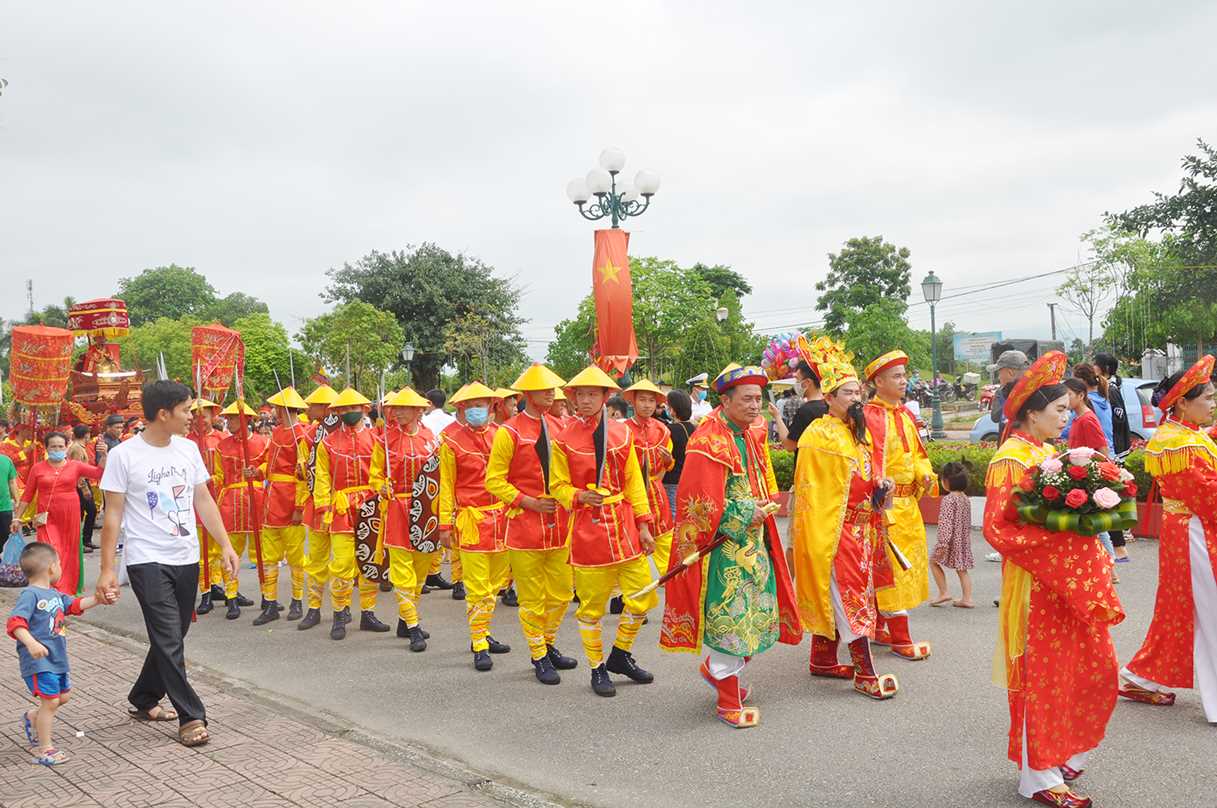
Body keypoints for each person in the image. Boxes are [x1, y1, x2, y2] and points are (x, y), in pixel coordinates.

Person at [983, 351, 1123, 807]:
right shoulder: (1010, 459)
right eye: (1059, 410)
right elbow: (1000, 528)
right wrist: (1069, 549)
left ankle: (1062, 754)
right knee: (1041, 675)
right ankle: (1038, 774)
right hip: (1037, 586)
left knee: (1089, 666)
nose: (1066, 417)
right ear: (1030, 412)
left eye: (1066, 409)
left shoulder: (1049, 455)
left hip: (1067, 583)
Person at [97, 379, 242, 748]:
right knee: (167, 636)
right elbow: (112, 515)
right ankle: (191, 716)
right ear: (164, 414)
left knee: (174, 635)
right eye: (186, 411)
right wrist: (107, 569)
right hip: (147, 559)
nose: (192, 417)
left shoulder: (188, 449)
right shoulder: (123, 456)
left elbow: (204, 500)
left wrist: (225, 544)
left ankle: (143, 698)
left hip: (185, 556)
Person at [661, 364, 801, 727]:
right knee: (731, 619)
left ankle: (720, 675)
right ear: (724, 400)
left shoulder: (748, 434)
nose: (756, 406)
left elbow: (761, 480)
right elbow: (699, 503)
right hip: (723, 549)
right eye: (748, 399)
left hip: (754, 541)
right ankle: (727, 700)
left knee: (755, 616)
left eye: (759, 398)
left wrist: (762, 506)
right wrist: (742, 512)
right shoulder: (709, 440)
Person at [791, 340, 899, 700]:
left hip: (861, 527)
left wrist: (882, 486)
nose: (857, 399)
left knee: (849, 592)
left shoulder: (857, 433)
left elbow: (866, 477)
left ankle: (823, 658)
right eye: (849, 393)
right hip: (836, 530)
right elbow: (815, 494)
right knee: (849, 596)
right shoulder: (819, 435)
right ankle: (865, 673)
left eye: (858, 392)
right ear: (830, 397)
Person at [1118, 355, 1217, 724]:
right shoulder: (1178, 443)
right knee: (1208, 608)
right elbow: (1208, 494)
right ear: (1182, 402)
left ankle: (1138, 676)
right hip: (1195, 531)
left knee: (1184, 610)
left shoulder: (1185, 436)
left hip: (1190, 529)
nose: (1212, 404)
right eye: (1207, 398)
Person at [551, 366, 657, 697]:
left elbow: (633, 482)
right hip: (588, 529)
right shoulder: (563, 438)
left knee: (643, 597)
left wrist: (643, 524)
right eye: (579, 394)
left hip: (624, 526)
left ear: (605, 397)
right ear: (571, 397)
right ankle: (597, 668)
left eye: (592, 394)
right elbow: (556, 485)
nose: (584, 400)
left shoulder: (622, 433)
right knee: (592, 608)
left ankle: (621, 655)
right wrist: (578, 495)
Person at [485, 364, 578, 685]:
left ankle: (548, 641)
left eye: (552, 388)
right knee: (532, 597)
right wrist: (527, 501)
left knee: (563, 593)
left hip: (560, 524)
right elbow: (494, 481)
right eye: (543, 389)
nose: (551, 393)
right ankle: (538, 654)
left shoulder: (561, 427)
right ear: (527, 395)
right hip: (524, 526)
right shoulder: (508, 432)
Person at [863, 351, 936, 661]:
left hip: (909, 505)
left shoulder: (906, 414)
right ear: (878, 382)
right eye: (896, 376)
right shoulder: (869, 416)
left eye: (904, 375)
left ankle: (882, 628)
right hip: (885, 505)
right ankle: (901, 639)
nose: (904, 380)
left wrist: (925, 472)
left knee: (905, 567)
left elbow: (918, 454)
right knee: (891, 568)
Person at [7, 542, 105, 765]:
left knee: (62, 697)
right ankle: (45, 749)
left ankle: (34, 717)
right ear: (52, 568)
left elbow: (75, 605)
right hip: (39, 662)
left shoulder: (55, 594)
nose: (61, 567)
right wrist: (31, 644)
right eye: (59, 563)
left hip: (57, 658)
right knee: (50, 702)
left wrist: (98, 600)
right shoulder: (30, 595)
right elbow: (15, 622)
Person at [438, 382, 512, 671]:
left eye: (481, 404)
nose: (476, 410)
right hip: (471, 520)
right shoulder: (450, 440)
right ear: (461, 409)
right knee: (477, 586)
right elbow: (446, 483)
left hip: (503, 518)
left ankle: (483, 631)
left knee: (496, 584)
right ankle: (479, 643)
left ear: (492, 406)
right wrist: (445, 523)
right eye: (470, 406)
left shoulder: (501, 435)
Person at [313, 388, 390, 640]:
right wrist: (323, 508)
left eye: (353, 407)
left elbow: (382, 473)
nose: (349, 412)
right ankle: (339, 614)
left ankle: (368, 613)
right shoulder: (327, 442)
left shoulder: (378, 438)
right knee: (343, 563)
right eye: (343, 409)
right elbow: (322, 478)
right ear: (336, 412)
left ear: (365, 409)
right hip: (342, 507)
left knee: (370, 561)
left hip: (371, 505)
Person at [371, 387, 439, 652]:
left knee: (421, 567)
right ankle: (412, 625)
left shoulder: (430, 439)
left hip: (425, 508)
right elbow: (375, 474)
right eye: (394, 408)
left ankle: (404, 619)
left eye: (403, 408)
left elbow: (438, 471)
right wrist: (381, 486)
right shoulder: (384, 440)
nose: (397, 412)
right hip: (398, 507)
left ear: (418, 410)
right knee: (402, 570)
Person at [12, 432, 106, 596]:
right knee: (50, 550)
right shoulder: (38, 468)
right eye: (53, 446)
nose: (57, 449)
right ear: (47, 448)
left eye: (60, 446)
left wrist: (104, 455)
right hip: (46, 517)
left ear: (66, 446)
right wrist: (17, 518)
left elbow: (99, 472)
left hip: (70, 514)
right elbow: (27, 495)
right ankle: (51, 589)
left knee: (69, 551)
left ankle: (67, 590)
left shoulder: (75, 466)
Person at [256, 387, 310, 624]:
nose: (276, 412)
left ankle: (297, 600)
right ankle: (270, 603)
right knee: (269, 557)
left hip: (289, 500)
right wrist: (256, 471)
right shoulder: (276, 432)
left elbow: (303, 475)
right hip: (271, 499)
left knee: (296, 556)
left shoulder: (302, 435)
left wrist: (299, 506)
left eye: (279, 407)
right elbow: (268, 463)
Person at [211, 401, 269, 620]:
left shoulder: (263, 442)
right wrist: (209, 482)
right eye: (229, 418)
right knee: (230, 552)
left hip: (255, 499)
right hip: (231, 501)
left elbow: (268, 466)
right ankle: (231, 597)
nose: (230, 422)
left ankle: (268, 595)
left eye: (234, 418)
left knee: (262, 553)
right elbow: (219, 475)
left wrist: (257, 471)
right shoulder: (221, 446)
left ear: (246, 420)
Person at [298, 383, 340, 631]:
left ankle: (342, 609)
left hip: (344, 504)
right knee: (316, 559)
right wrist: (302, 469)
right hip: (317, 503)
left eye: (313, 405)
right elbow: (303, 470)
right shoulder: (309, 435)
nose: (309, 408)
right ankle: (314, 607)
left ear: (325, 408)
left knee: (344, 561)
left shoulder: (349, 432)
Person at [623, 380, 675, 577]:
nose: (646, 405)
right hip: (632, 495)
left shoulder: (663, 430)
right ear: (633, 403)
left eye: (651, 401)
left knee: (667, 546)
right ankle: (625, 598)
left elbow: (668, 465)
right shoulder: (623, 430)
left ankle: (674, 588)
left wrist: (668, 460)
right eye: (642, 400)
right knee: (633, 546)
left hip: (656, 494)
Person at [187, 399, 227, 615]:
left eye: (205, 415)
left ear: (213, 416)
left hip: (221, 498)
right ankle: (206, 591)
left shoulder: (222, 439)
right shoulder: (186, 442)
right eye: (196, 415)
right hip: (198, 501)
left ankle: (222, 586)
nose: (200, 419)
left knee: (222, 546)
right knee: (202, 550)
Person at [1093, 353, 1130, 562]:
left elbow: (1117, 423)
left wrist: (1115, 452)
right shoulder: (1108, 388)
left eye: (1095, 365)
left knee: (1109, 499)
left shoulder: (1110, 390)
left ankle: (1119, 546)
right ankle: (1118, 544)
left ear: (1104, 368)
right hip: (1112, 450)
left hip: (1111, 451)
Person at [929, 461, 974, 608]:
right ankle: (967, 599)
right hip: (963, 541)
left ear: (946, 482)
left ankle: (944, 592)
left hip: (948, 541)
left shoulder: (948, 500)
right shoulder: (965, 499)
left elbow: (946, 523)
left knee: (933, 562)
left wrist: (942, 543)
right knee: (962, 570)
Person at [780, 360, 828, 454]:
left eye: (797, 379)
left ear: (807, 382)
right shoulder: (830, 405)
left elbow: (789, 445)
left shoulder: (806, 411)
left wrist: (777, 416)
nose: (795, 384)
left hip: (807, 465)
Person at [662, 390, 694, 523]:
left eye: (667, 406)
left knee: (673, 515)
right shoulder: (695, 428)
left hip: (672, 480)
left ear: (673, 410)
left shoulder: (669, 430)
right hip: (689, 479)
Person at [67, 425, 99, 552]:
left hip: (82, 482)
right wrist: (84, 488)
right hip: (79, 483)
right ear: (86, 434)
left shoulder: (79, 447)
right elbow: (77, 470)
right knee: (88, 511)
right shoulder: (77, 449)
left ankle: (84, 540)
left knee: (87, 512)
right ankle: (80, 542)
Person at [988, 350, 1031, 438]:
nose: (999, 377)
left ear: (1010, 373)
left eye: (999, 373)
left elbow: (995, 417)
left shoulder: (1002, 393)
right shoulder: (1038, 388)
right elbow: (995, 417)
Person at [0, 448, 18, 541]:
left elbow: (12, 482)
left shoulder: (6, 460)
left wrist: (17, 501)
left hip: (5, 508)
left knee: (5, 538)